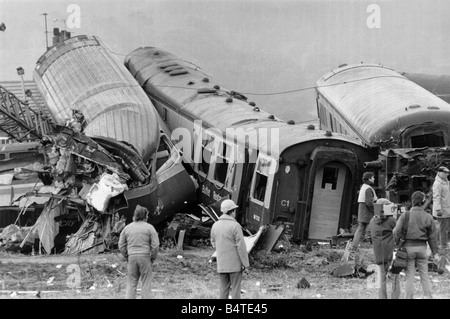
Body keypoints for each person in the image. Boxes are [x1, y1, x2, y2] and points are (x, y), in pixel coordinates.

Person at [394, 191, 439, 299]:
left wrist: (397, 243)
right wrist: (435, 253)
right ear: (423, 201)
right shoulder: (428, 216)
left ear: (412, 201)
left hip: (408, 248)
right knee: (424, 274)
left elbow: (396, 231)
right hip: (422, 248)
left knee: (410, 275)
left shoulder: (405, 215)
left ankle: (409, 297)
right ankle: (427, 296)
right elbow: (433, 237)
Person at [210, 199, 250, 299]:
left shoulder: (215, 225)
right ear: (231, 211)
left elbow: (213, 243)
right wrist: (246, 264)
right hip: (235, 265)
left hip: (222, 264)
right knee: (236, 289)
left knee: (223, 289)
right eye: (234, 210)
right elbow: (241, 247)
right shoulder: (235, 226)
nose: (235, 212)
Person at [118, 205, 160, 299]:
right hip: (145, 258)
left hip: (132, 258)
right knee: (146, 285)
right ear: (145, 216)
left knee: (131, 285)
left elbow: (121, 245)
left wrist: (127, 255)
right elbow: (155, 245)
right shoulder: (150, 228)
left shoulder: (127, 228)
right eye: (147, 215)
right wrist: (152, 258)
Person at [368, 198, 400, 299]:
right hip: (390, 253)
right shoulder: (391, 220)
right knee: (395, 277)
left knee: (381, 278)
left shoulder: (372, 221)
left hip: (378, 254)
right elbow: (400, 230)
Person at [351, 171, 378, 251]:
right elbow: (369, 202)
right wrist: (375, 210)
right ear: (369, 178)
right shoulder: (368, 189)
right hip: (367, 212)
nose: (374, 179)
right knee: (373, 228)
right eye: (373, 177)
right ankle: (374, 246)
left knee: (361, 228)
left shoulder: (364, 187)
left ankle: (354, 246)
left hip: (362, 210)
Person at [432, 166, 450, 250]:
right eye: (445, 173)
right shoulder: (438, 184)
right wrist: (438, 209)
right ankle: (443, 246)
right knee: (443, 230)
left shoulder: (445, 182)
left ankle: (440, 244)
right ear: (440, 173)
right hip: (442, 211)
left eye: (447, 173)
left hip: (446, 209)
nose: (447, 174)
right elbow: (436, 197)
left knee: (443, 229)